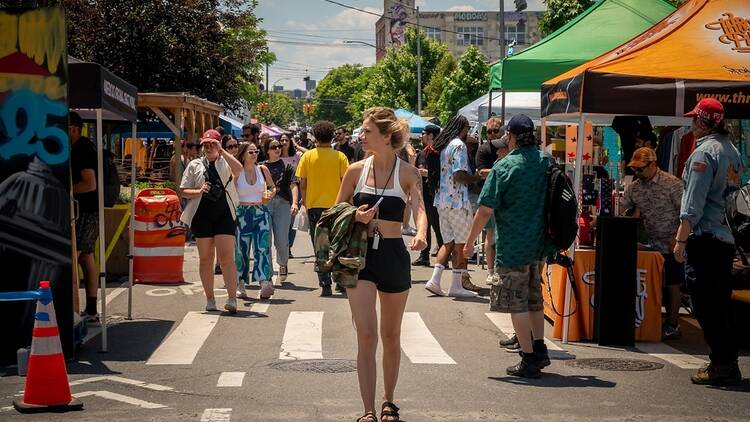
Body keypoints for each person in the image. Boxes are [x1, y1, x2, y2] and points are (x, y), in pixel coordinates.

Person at [335, 107, 427, 422]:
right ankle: (368, 410)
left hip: (394, 254)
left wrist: (422, 234)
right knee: (366, 335)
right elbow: (334, 211)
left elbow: (419, 210)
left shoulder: (408, 173)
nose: (361, 136)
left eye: (367, 132)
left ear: (386, 137)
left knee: (390, 334)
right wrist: (355, 216)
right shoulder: (354, 170)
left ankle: (389, 401)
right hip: (360, 257)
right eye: (362, 131)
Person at [463, 115, 552, 378]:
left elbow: (484, 210)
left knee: (517, 304)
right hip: (540, 244)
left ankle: (528, 359)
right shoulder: (546, 161)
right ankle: (539, 347)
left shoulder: (504, 167)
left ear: (512, 137)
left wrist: (469, 243)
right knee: (535, 300)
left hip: (513, 245)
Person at [673, 98, 744, 385]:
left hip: (706, 238)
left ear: (702, 122)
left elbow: (693, 203)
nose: (691, 124)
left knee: (704, 303)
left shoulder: (704, 154)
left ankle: (722, 364)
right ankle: (726, 360)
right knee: (720, 302)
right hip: (726, 238)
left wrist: (680, 240)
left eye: (694, 119)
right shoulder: (732, 151)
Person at [621, 147, 684, 339]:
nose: (637, 173)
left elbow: (685, 214)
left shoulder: (672, 184)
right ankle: (648, 318)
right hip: (648, 243)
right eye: (634, 170)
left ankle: (673, 323)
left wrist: (679, 239)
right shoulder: (635, 188)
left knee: (673, 283)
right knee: (648, 282)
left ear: (653, 164)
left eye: (641, 169)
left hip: (671, 241)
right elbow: (622, 207)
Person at [179, 129, 242, 313]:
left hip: (224, 214)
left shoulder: (225, 161)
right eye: (205, 144)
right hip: (202, 215)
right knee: (206, 259)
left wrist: (222, 150)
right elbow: (183, 190)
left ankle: (232, 298)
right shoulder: (195, 165)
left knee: (226, 258)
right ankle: (210, 299)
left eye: (211, 143)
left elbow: (238, 170)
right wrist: (198, 191)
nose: (208, 147)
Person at [423, 115, 482, 297]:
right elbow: (459, 175)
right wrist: (476, 177)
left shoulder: (444, 146)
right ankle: (456, 285)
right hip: (457, 201)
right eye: (467, 128)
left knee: (447, 243)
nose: (468, 132)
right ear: (462, 128)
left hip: (442, 201)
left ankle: (435, 280)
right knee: (460, 244)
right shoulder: (458, 145)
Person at [296, 120, 350, 296]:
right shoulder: (340, 156)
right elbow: (346, 181)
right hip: (337, 206)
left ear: (315, 136)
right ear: (332, 135)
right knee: (339, 244)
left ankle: (324, 283)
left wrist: (304, 201)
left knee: (320, 245)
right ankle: (340, 282)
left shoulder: (307, 156)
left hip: (314, 206)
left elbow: (302, 182)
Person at [234, 142, 276, 300]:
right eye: (251, 152)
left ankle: (264, 282)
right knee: (241, 250)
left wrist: (270, 195)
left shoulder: (262, 170)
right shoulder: (237, 171)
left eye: (256, 151)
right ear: (243, 154)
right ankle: (240, 283)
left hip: (261, 211)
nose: (254, 154)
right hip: (242, 213)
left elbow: (272, 187)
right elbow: (230, 191)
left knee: (263, 247)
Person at [69, 112, 100, 322]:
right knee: (85, 257)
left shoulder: (81, 149)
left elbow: (90, 183)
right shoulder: (85, 146)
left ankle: (73, 310)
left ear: (73, 128)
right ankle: (90, 310)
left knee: (75, 257)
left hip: (84, 212)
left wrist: (67, 191)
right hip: (89, 211)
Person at [474, 117, 509, 285]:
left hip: (506, 200)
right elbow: (481, 173)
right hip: (488, 197)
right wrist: (499, 170)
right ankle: (490, 271)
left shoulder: (508, 149)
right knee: (490, 236)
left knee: (501, 236)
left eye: (496, 131)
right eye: (489, 131)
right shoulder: (483, 149)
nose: (492, 134)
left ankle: (500, 270)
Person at [263, 139, 298, 283]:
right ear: (267, 150)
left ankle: (282, 264)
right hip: (264, 205)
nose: (277, 148)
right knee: (266, 240)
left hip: (283, 204)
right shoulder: (261, 167)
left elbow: (293, 185)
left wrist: (295, 203)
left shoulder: (288, 166)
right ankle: (268, 272)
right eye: (273, 147)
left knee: (282, 240)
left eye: (279, 146)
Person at [412, 125, 443, 267]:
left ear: (431, 135)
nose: (421, 136)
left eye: (423, 133)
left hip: (436, 195)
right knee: (425, 225)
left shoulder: (439, 152)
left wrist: (428, 173)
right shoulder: (422, 153)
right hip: (423, 194)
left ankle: (443, 256)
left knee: (438, 226)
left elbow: (444, 173)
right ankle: (424, 256)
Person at [214, 135, 242, 274]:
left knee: (233, 237)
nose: (233, 149)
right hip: (225, 203)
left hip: (238, 203)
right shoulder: (221, 161)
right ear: (224, 148)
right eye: (230, 146)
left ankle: (225, 263)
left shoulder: (239, 161)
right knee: (225, 236)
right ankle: (220, 262)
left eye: (236, 146)